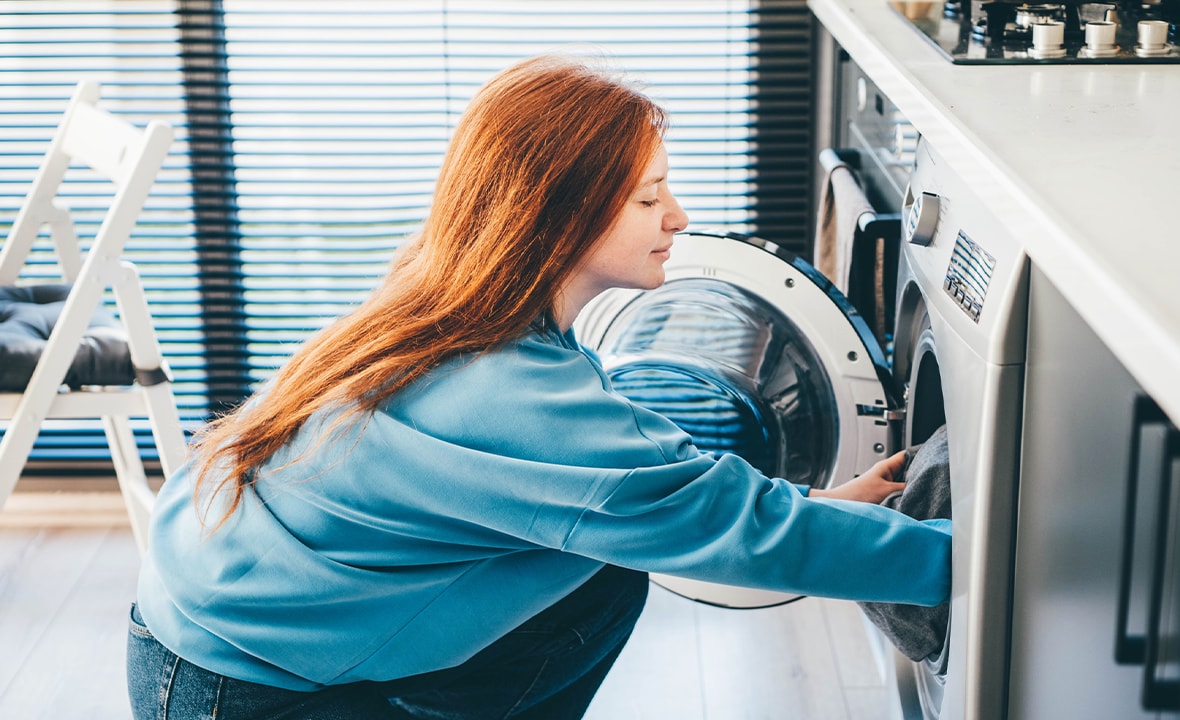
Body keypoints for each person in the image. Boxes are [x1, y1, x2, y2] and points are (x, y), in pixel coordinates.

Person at [127, 54, 950, 720]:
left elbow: (672, 504)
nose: (680, 216)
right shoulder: (511, 394)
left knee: (603, 564)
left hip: (208, 633)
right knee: (610, 565)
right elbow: (723, 525)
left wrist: (829, 505)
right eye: (649, 196)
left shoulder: (442, 302)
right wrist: (977, 564)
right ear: (556, 217)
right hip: (239, 695)